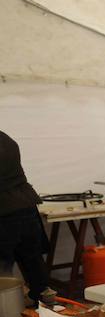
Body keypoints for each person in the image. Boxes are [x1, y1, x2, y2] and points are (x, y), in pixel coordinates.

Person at [0, 130, 49, 306]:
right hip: (26, 204)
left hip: (4, 210)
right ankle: (45, 309)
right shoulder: (5, 138)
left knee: (3, 270)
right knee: (33, 261)